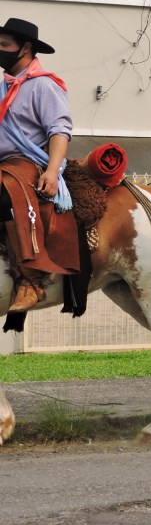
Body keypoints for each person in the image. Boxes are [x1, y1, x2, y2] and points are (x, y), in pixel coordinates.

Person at [0, 17, 75, 312]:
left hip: (27, 161)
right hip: (2, 161)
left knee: (7, 191)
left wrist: (53, 171)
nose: (0, 50)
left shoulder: (44, 85)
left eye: (5, 45)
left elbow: (59, 130)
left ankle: (33, 278)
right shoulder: (3, 87)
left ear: (26, 48)